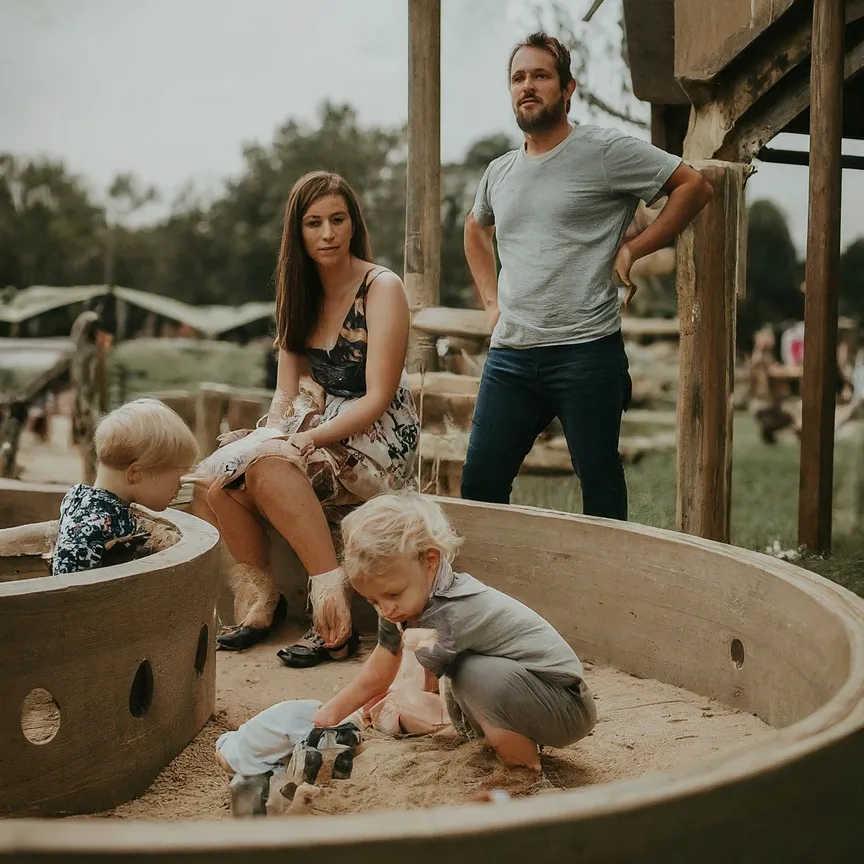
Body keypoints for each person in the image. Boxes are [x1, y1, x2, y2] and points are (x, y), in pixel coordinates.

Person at [462, 32, 713, 519]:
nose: (528, 86)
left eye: (540, 75)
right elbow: (476, 228)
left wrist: (636, 248)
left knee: (598, 480)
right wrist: (491, 301)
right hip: (511, 356)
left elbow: (693, 187)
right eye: (518, 78)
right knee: (480, 484)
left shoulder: (605, 151)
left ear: (568, 87)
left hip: (586, 351)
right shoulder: (500, 171)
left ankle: (612, 592)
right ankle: (488, 592)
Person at [194, 171, 420, 665]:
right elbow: (285, 394)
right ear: (297, 233)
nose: (328, 234)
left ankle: (332, 617)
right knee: (217, 483)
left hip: (375, 439)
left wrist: (303, 441)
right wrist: (270, 437)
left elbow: (378, 397)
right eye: (314, 223)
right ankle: (262, 606)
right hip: (317, 428)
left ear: (352, 224)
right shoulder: (297, 295)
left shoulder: (381, 287)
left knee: (267, 467)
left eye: (338, 220)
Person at [311, 492, 597, 777]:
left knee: (469, 674)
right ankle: (504, 737)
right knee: (460, 677)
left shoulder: (453, 610)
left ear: (431, 561)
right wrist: (330, 714)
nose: (384, 609)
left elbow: (416, 672)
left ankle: (521, 772)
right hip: (529, 692)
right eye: (372, 601)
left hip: (565, 706)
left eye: (392, 594)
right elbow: (383, 662)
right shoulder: (403, 597)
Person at [52, 398, 198, 576]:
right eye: (177, 478)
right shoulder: (102, 523)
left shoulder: (78, 496)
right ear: (135, 474)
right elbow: (71, 585)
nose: (179, 487)